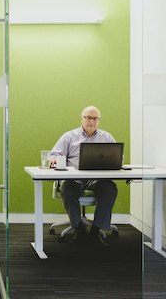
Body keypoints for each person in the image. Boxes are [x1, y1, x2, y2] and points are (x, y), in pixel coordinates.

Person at [50, 105, 118, 247]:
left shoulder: (106, 137)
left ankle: (95, 231)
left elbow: (117, 156)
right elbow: (54, 154)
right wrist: (55, 159)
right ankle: (79, 230)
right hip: (74, 178)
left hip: (97, 179)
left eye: (95, 118)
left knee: (110, 189)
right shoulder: (69, 136)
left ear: (99, 121)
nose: (91, 121)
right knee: (68, 190)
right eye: (88, 117)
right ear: (81, 119)